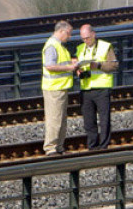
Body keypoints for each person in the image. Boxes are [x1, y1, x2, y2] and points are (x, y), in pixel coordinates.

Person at [75, 24, 119, 150]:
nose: (85, 41)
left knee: (104, 120)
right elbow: (78, 64)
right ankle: (92, 146)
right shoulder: (80, 48)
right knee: (89, 121)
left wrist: (99, 65)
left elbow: (114, 65)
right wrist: (77, 70)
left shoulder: (105, 46)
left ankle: (104, 145)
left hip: (102, 88)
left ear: (93, 34)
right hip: (86, 88)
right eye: (83, 38)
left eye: (87, 38)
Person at [42, 20, 78, 156]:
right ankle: (51, 148)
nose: (69, 36)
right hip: (54, 89)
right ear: (61, 31)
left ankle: (59, 146)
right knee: (54, 119)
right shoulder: (52, 46)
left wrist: (71, 62)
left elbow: (58, 63)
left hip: (61, 88)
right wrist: (69, 67)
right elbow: (50, 66)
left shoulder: (59, 45)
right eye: (68, 33)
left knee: (61, 119)